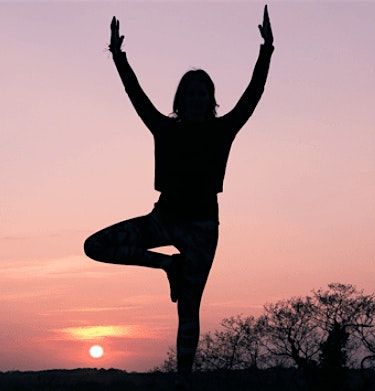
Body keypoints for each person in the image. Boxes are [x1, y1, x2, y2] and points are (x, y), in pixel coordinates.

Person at [84, 5, 274, 388]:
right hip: (163, 219)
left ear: (211, 99)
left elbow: (253, 95)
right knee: (96, 246)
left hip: (202, 229)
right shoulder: (163, 128)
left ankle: (183, 382)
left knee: (189, 311)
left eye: (202, 93)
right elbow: (135, 95)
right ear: (180, 99)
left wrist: (266, 50)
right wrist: (118, 57)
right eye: (189, 93)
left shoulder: (224, 129)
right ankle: (167, 267)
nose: (195, 99)